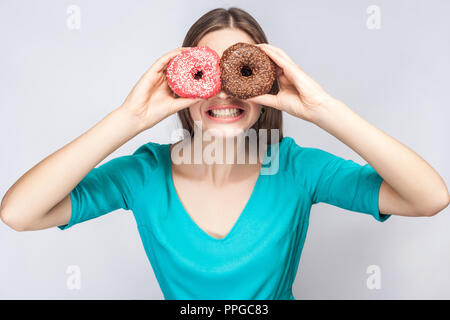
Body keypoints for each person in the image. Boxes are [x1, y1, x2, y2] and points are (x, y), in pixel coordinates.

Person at [0, 7, 448, 300]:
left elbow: (428, 197)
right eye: (206, 72)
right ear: (183, 82)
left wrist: (323, 109)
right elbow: (19, 212)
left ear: (265, 80)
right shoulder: (144, 174)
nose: (223, 91)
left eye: (240, 71)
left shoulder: (296, 168)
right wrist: (128, 118)